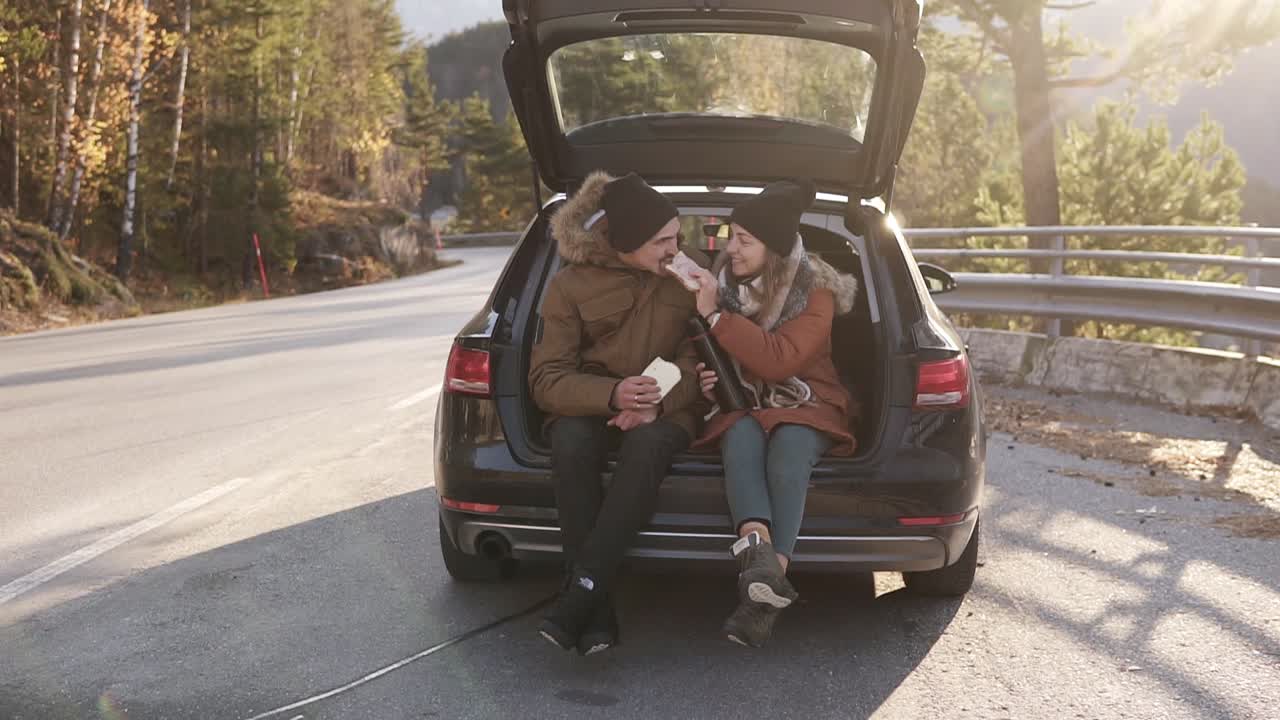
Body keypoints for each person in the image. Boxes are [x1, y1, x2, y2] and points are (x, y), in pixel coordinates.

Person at [529, 171, 706, 656]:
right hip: (590, 403)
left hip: (668, 407)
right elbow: (547, 380)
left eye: (677, 235)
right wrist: (613, 395)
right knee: (570, 442)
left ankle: (580, 595)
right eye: (662, 241)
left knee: (648, 446)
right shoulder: (569, 286)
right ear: (627, 243)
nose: (675, 249)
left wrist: (656, 402)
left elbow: (700, 363)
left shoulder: (688, 275)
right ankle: (597, 606)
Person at [687, 179, 860, 648]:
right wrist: (708, 377)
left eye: (745, 240)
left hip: (806, 398)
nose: (732, 249)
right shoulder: (723, 285)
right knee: (739, 436)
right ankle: (765, 570)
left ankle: (763, 593)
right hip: (742, 399)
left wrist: (718, 319)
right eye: (731, 236)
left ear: (775, 249)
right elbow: (707, 352)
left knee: (790, 446)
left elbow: (781, 359)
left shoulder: (816, 292)